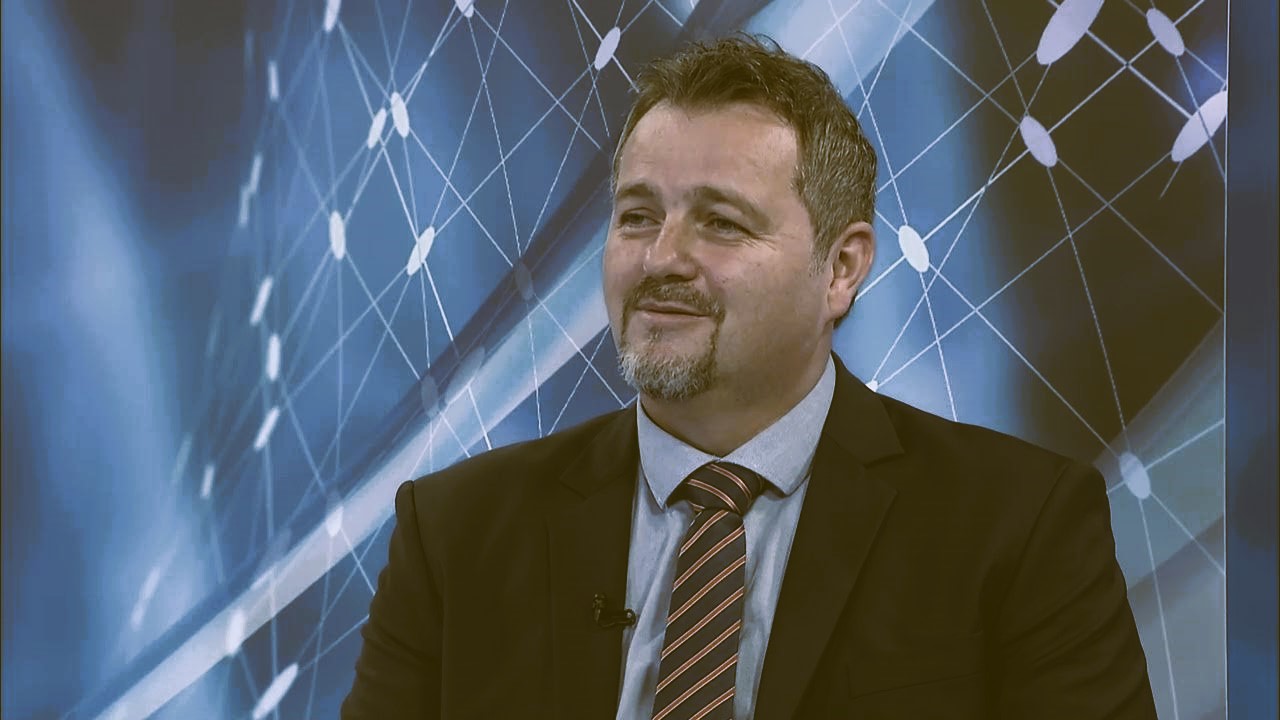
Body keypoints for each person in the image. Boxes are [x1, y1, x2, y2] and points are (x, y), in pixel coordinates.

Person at [341, 35, 1157, 719]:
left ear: (841, 270)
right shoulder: (451, 536)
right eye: (637, 217)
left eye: (721, 223)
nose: (661, 258)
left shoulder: (1021, 527)